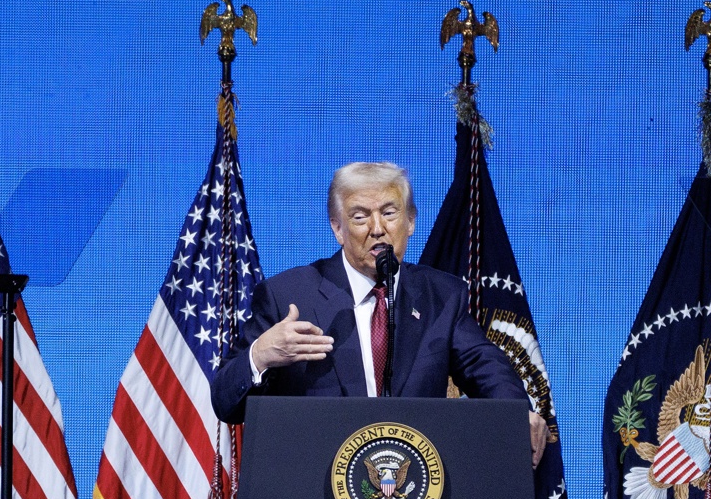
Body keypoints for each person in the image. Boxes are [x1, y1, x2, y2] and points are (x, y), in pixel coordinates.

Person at [210, 161, 548, 465]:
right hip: (316, 487)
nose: (377, 228)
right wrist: (260, 355)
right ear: (338, 228)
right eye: (360, 217)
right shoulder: (288, 296)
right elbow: (226, 403)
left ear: (410, 221)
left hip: (416, 488)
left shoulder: (443, 296)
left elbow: (487, 368)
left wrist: (517, 413)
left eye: (389, 213)